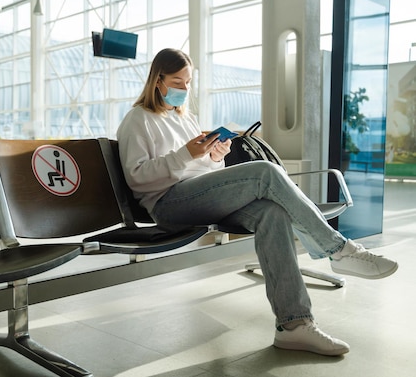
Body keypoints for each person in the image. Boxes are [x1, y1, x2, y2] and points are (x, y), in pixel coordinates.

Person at [116, 48, 398, 356]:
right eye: (178, 82)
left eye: (189, 82)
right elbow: (137, 178)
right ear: (158, 81)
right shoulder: (138, 120)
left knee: (271, 212)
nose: (185, 89)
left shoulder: (185, 120)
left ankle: (295, 325)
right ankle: (338, 249)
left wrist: (214, 157)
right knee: (265, 171)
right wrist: (187, 155)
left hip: (196, 195)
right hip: (167, 204)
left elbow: (201, 169)